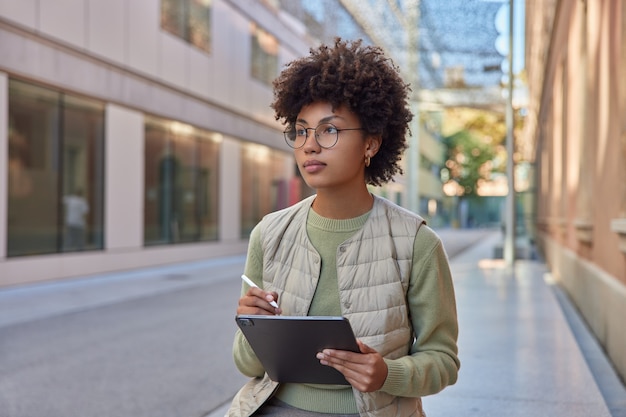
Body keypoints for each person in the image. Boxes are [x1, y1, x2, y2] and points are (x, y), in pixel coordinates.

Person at [228, 38, 459, 417]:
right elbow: (248, 365)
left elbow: (443, 361)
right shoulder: (268, 234)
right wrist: (254, 327)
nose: (310, 146)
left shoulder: (417, 243)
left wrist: (388, 373)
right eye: (301, 131)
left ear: (371, 143)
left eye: (329, 130)